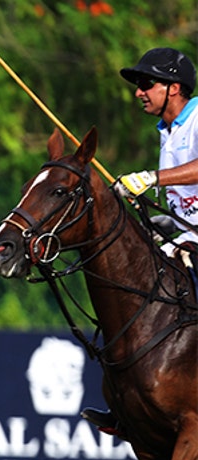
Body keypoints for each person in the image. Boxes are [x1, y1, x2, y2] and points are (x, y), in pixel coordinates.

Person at [83, 47, 198, 434]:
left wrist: (151, 178)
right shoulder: (167, 131)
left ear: (175, 88)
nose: (138, 92)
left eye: (147, 83)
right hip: (186, 233)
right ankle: (132, 402)